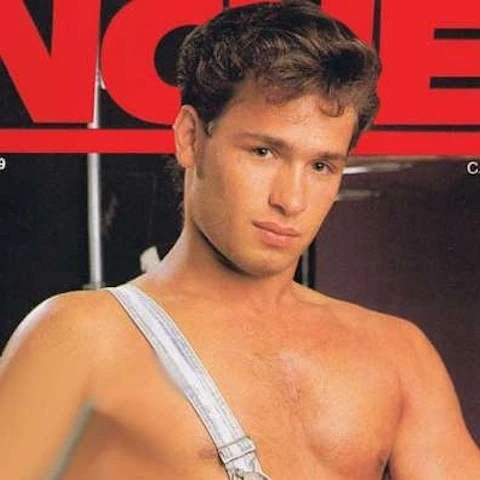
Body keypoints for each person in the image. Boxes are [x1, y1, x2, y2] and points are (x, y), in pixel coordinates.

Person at [1, 1, 479, 479]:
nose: (291, 200)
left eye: (320, 166)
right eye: (264, 151)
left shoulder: (396, 355)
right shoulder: (79, 338)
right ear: (190, 138)